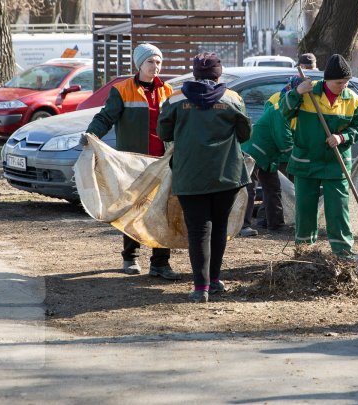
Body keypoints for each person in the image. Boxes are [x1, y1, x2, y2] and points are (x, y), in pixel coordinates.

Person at [157, 52, 252, 303]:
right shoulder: (232, 99)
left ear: (195, 74)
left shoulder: (175, 98)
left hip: (190, 174)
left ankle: (201, 288)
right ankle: (215, 279)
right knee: (219, 226)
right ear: (218, 74)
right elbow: (244, 134)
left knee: (199, 230)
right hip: (227, 174)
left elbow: (163, 130)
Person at [83, 43, 182, 280]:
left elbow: (177, 122)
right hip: (132, 164)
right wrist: (91, 135)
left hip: (161, 162)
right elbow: (105, 117)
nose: (155, 66)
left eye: (158, 62)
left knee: (163, 211)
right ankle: (131, 257)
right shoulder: (122, 90)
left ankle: (160, 263)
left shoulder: (168, 91)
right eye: (151, 62)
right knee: (133, 210)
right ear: (139, 64)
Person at [278, 54, 358, 258]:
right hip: (306, 160)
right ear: (327, 80)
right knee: (306, 209)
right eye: (339, 82)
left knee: (338, 209)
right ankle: (304, 251)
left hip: (337, 163)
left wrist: (342, 137)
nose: (343, 86)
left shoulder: (352, 100)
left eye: (346, 82)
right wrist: (297, 92)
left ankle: (343, 251)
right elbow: (284, 112)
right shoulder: (308, 92)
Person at [241, 75, 302, 232]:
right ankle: (243, 226)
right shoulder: (279, 111)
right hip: (252, 153)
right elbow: (285, 142)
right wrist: (299, 159)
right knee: (249, 188)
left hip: (268, 157)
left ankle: (276, 225)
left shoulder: (292, 112)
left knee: (273, 188)